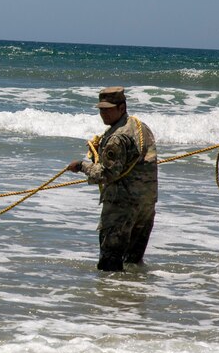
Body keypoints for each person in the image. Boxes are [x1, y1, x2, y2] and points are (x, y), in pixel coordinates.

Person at [67, 86, 158, 272]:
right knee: (133, 264)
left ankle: (111, 299)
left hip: (121, 208)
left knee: (110, 265)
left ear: (122, 108)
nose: (103, 114)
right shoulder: (139, 126)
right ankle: (131, 298)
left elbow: (105, 174)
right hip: (146, 205)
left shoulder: (117, 138)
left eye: (108, 109)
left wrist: (82, 165)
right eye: (101, 109)